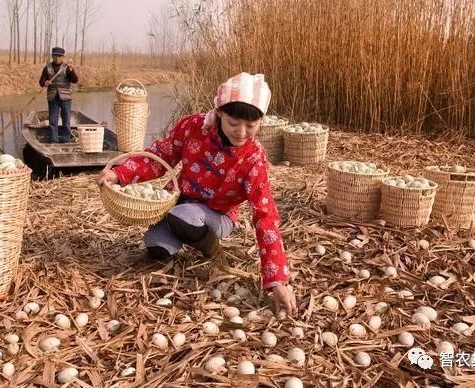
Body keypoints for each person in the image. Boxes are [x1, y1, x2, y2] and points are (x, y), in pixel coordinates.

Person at [97, 73, 297, 315]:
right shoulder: (194, 127)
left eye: (251, 126)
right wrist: (120, 174)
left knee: (184, 217)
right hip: (179, 205)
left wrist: (277, 280)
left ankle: (211, 247)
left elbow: (265, 216)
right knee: (156, 248)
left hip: (218, 216)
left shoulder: (254, 159)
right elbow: (161, 156)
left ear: (260, 121)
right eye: (234, 123)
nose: (241, 132)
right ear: (220, 111)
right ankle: (176, 234)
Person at [38, 47, 78, 143]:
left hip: (66, 97)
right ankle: (53, 140)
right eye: (55, 55)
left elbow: (75, 80)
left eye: (59, 56)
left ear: (63, 57)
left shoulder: (67, 67)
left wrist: (72, 71)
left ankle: (66, 139)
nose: (57, 58)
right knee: (53, 120)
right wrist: (45, 82)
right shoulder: (47, 68)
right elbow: (41, 81)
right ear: (52, 56)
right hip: (53, 97)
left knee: (66, 118)